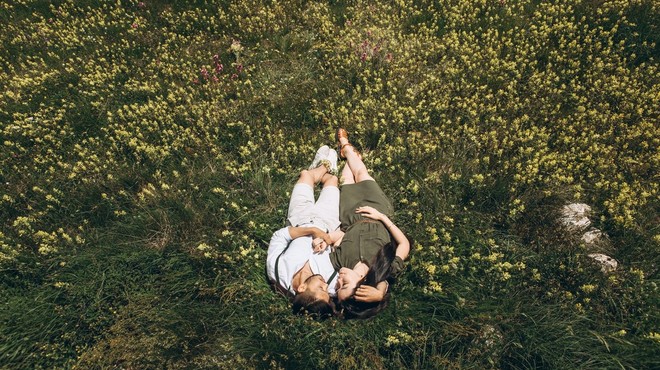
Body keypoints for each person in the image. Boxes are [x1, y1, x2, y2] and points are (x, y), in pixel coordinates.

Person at [330, 128, 410, 319]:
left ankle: (350, 154)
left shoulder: (338, 262)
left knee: (347, 179)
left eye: (338, 287)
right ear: (362, 284)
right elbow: (404, 244)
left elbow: (340, 237)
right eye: (345, 284)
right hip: (377, 210)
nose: (339, 281)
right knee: (361, 171)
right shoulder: (386, 267)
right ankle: (346, 146)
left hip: (350, 216)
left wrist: (327, 239)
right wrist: (382, 217)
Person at [266, 145, 341, 318]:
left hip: (300, 218)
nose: (325, 286)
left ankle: (322, 167)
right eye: (327, 293)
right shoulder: (333, 283)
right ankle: (325, 168)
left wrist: (312, 230)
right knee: (332, 181)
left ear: (301, 288)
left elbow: (279, 237)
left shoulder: (277, 271)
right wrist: (327, 239)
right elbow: (340, 248)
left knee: (305, 175)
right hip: (328, 221)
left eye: (320, 289)